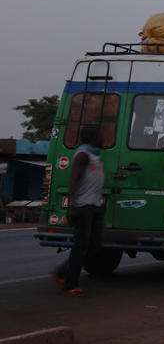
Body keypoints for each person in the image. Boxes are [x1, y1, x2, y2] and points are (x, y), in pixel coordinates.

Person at [52, 125, 105, 296]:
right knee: (81, 245)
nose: (102, 138)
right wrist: (72, 205)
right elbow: (74, 179)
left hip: (95, 205)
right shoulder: (83, 155)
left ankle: (62, 272)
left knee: (94, 245)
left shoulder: (96, 155)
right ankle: (70, 284)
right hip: (83, 206)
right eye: (99, 135)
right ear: (92, 137)